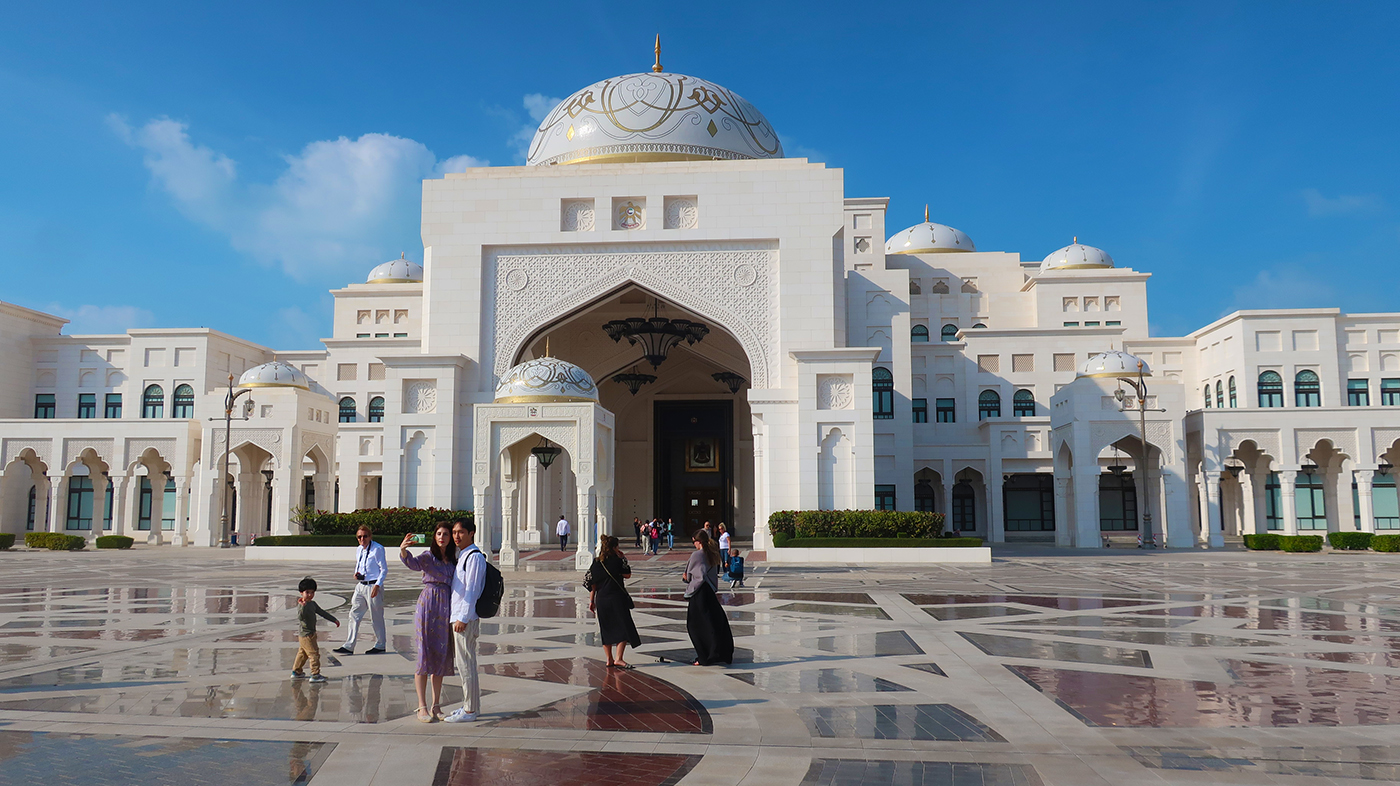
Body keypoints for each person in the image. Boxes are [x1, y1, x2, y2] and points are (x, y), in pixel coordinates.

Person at [399, 523, 457, 722]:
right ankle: (421, 706)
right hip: (428, 603)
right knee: (424, 653)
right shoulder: (428, 556)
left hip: (445, 605)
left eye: (445, 534)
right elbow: (412, 564)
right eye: (439, 533)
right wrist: (403, 549)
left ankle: (436, 705)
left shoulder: (452, 560)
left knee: (440, 654)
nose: (442, 537)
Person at [444, 519, 486, 723]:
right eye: (454, 532)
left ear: (472, 533)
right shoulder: (463, 555)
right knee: (465, 665)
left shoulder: (474, 557)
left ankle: (470, 711)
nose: (456, 536)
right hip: (460, 617)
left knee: (466, 665)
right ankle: (470, 706)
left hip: (465, 619)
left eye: (461, 532)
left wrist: (463, 617)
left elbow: (472, 590)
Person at [586, 535, 641, 669]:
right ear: (615, 547)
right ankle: (619, 658)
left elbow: (591, 583)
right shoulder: (617, 561)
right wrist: (623, 558)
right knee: (623, 627)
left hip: (601, 599)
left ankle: (609, 659)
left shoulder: (596, 562)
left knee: (606, 628)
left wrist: (591, 601)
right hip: (617, 598)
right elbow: (627, 574)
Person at [683, 529, 734, 666]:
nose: (694, 544)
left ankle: (703, 656)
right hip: (709, 591)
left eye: (694, 542)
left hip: (698, 592)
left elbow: (688, 575)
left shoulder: (697, 555)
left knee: (694, 625)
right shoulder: (713, 554)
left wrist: (687, 578)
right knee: (712, 622)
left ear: (699, 541)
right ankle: (716, 653)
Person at [334, 525, 387, 655]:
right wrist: (357, 573)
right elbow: (359, 564)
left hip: (373, 586)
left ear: (370, 536)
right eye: (359, 537)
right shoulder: (359, 549)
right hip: (361, 585)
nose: (362, 539)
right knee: (354, 614)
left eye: (365, 536)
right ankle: (349, 645)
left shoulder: (377, 549)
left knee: (376, 617)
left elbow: (384, 569)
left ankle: (380, 645)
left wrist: (377, 585)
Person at [292, 577, 339, 684]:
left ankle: (296, 671)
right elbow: (300, 617)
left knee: (302, 653)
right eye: (307, 592)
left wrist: (334, 620)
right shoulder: (301, 605)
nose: (310, 595)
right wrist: (302, 607)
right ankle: (315, 674)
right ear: (301, 593)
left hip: (311, 633)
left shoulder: (312, 604)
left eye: (312, 592)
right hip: (306, 635)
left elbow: (322, 612)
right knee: (314, 654)